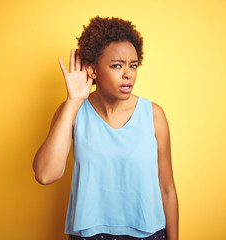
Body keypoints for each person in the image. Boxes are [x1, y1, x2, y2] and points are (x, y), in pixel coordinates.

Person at [33, 16, 179, 240]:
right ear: (93, 70)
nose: (128, 74)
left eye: (133, 65)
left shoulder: (154, 114)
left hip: (149, 235)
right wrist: (73, 102)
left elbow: (167, 188)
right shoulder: (72, 112)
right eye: (117, 66)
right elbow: (45, 175)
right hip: (90, 235)